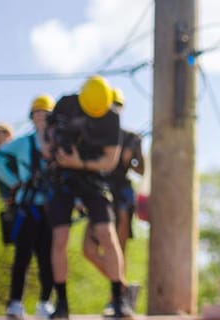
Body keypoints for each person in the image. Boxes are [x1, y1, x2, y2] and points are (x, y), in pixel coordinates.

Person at [44, 75, 131, 319]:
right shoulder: (65, 104)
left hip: (93, 177)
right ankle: (61, 304)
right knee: (59, 237)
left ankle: (119, 299)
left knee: (106, 233)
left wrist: (79, 162)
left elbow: (110, 160)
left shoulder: (112, 117)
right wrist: (55, 148)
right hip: (62, 176)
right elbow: (47, 131)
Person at [0, 95, 56, 318]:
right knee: (22, 257)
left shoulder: (58, 144)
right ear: (32, 117)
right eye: (37, 113)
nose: (41, 117)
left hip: (49, 208)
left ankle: (44, 303)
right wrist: (14, 182)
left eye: (46, 114)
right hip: (27, 206)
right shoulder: (23, 143)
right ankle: (15, 303)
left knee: (47, 258)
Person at [81, 88, 143, 314]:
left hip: (122, 195)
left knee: (119, 248)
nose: (113, 108)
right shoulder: (95, 135)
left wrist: (134, 153)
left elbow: (141, 170)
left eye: (117, 104)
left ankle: (115, 299)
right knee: (89, 249)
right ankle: (124, 288)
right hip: (98, 193)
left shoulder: (131, 136)